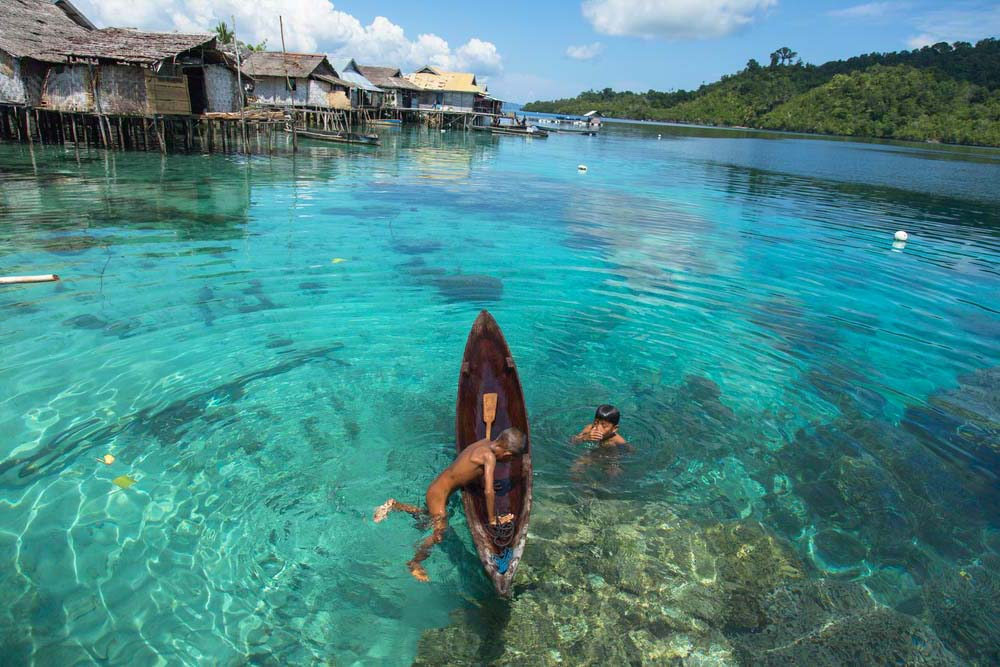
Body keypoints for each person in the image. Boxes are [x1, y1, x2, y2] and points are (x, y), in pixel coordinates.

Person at [374, 427, 526, 582]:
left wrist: (482, 483)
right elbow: (488, 492)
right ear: (507, 454)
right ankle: (414, 562)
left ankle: (394, 505)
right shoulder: (490, 458)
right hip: (439, 495)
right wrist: (493, 518)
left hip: (437, 488)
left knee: (426, 516)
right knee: (439, 534)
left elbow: (469, 466)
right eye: (510, 460)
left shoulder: (484, 442)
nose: (507, 463)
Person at [571, 404, 628, 476]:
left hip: (610, 458)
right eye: (595, 423)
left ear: (614, 429)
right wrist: (585, 438)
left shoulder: (617, 439)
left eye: (604, 426)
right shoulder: (589, 428)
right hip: (592, 453)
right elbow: (573, 441)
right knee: (576, 468)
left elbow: (630, 450)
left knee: (613, 473)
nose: (598, 427)